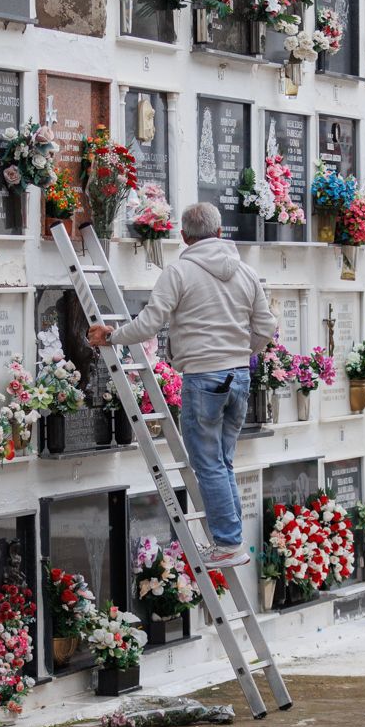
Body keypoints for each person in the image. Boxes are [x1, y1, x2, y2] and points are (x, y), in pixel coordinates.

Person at [89, 202, 275, 567]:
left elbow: (148, 324)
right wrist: (241, 353)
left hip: (204, 378)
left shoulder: (179, 272)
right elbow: (266, 328)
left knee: (208, 464)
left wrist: (112, 336)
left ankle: (227, 544)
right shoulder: (247, 273)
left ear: (184, 236)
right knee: (222, 461)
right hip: (239, 376)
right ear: (220, 233)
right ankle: (231, 538)